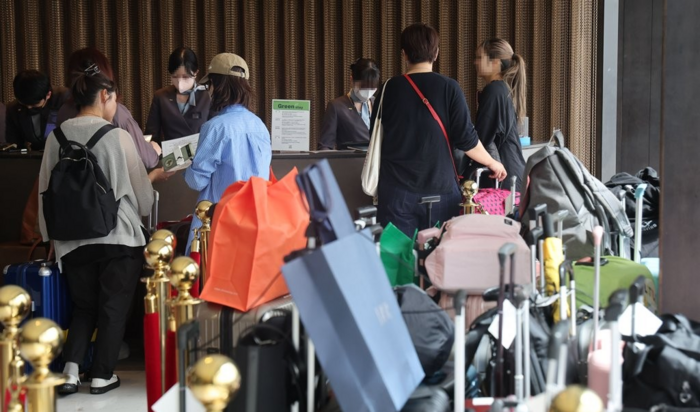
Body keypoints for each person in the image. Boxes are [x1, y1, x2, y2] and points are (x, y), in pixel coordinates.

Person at [38, 59, 171, 395]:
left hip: (71, 241)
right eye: (115, 100)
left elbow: (44, 192)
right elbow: (141, 200)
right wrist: (153, 177)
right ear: (106, 96)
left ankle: (69, 372)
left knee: (84, 306)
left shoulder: (56, 139)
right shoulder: (117, 137)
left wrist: (50, 238)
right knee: (113, 307)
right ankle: (101, 375)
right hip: (118, 238)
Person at [371, 23, 507, 237]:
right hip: (440, 189)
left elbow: (375, 135)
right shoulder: (449, 88)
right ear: (436, 53)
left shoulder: (389, 88)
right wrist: (492, 162)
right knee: (440, 259)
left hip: (396, 191)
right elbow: (467, 140)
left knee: (397, 260)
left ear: (404, 53)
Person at [184, 53, 271, 251]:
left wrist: (187, 164)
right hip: (255, 222)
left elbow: (196, 181)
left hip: (218, 223)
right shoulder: (260, 126)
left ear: (217, 85)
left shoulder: (215, 128)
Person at [57, 47, 160, 169]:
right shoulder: (118, 114)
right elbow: (146, 160)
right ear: (105, 92)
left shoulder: (63, 112)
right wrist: (154, 149)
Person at [473, 38, 527, 191]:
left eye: (479, 57)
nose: (475, 62)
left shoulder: (494, 91)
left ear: (495, 63)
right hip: (511, 174)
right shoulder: (502, 89)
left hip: (502, 178)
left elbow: (482, 138)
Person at [145, 47, 213, 144]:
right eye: (175, 76)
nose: (180, 82)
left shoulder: (207, 97)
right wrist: (152, 145)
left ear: (196, 73)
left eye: (185, 77)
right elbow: (151, 134)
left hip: (200, 156)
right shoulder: (161, 97)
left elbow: (215, 135)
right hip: (170, 157)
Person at [318, 58, 380, 150]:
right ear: (351, 80)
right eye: (363, 86)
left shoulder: (379, 104)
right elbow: (325, 146)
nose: (368, 90)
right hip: (349, 163)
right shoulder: (336, 106)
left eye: (371, 86)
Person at [6, 70, 69, 151]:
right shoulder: (13, 108)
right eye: (24, 104)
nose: (29, 107)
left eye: (34, 105)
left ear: (48, 95)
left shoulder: (64, 99)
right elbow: (14, 143)